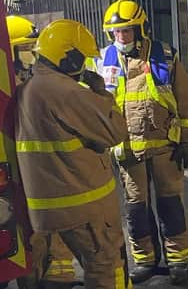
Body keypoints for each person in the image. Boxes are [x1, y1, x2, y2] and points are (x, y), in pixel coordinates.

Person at [14, 19, 131, 288]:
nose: (83, 66)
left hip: (45, 211)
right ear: (67, 57)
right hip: (84, 207)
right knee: (107, 267)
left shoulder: (28, 89)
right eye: (81, 59)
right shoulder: (65, 91)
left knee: (52, 271)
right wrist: (101, 92)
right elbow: (114, 131)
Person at [100, 0, 188, 285]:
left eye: (127, 31)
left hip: (165, 149)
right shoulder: (102, 60)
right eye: (116, 32)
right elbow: (94, 109)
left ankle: (178, 260)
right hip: (128, 152)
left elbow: (187, 102)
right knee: (136, 211)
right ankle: (144, 260)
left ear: (140, 29)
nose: (122, 37)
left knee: (171, 207)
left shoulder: (165, 56)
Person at [7, 15, 79, 288]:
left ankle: (58, 272)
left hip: (43, 167)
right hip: (22, 170)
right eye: (23, 51)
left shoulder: (33, 83)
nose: (30, 59)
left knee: (53, 219)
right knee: (27, 228)